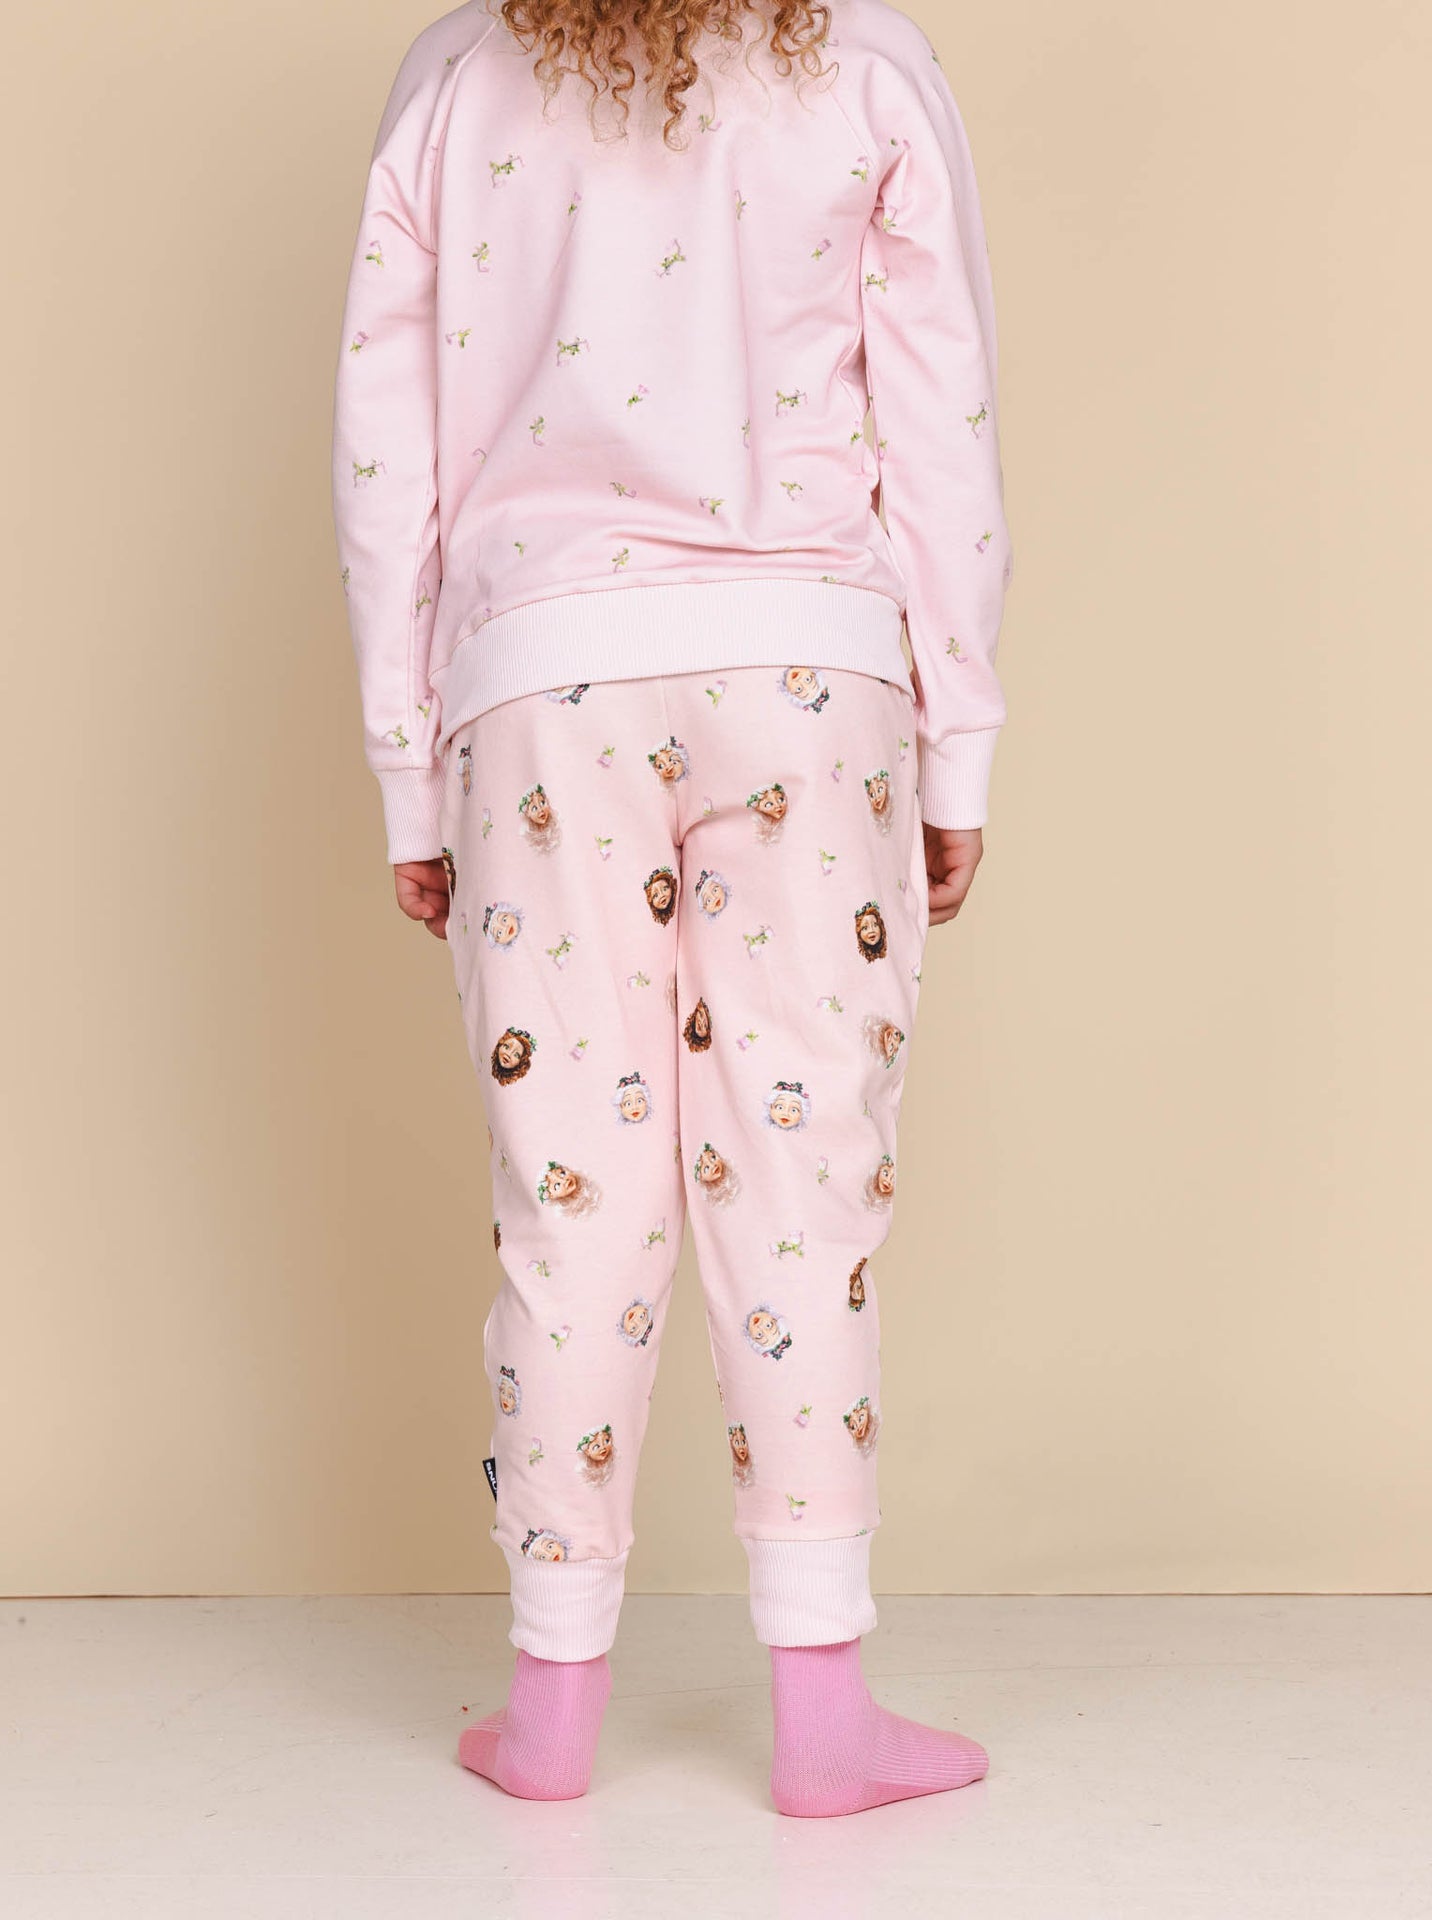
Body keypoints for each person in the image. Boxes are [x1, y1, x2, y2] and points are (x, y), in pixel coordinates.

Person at [331, 0, 1013, 1819]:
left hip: (541, 684)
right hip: (809, 668)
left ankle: (551, 1709)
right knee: (806, 1178)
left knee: (571, 1189)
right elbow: (939, 416)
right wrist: (956, 743)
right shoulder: (863, 63)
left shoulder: (458, 79)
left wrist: (411, 761)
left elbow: (387, 458)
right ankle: (824, 1711)